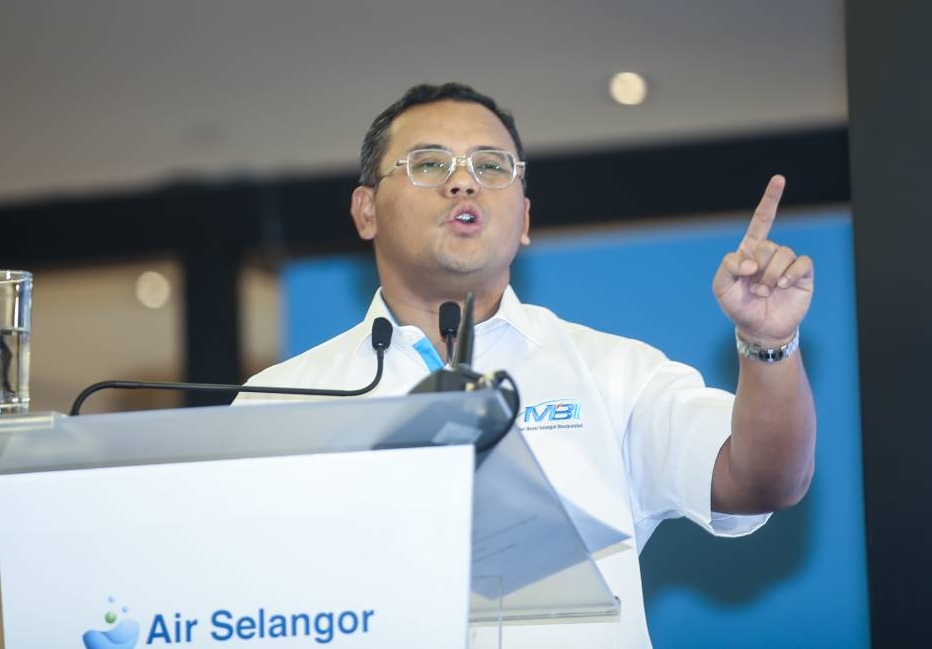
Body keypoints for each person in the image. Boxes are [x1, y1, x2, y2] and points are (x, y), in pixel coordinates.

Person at [236, 82, 816, 647]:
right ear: (366, 211)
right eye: (430, 164)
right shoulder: (280, 399)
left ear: (526, 216)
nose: (464, 181)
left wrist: (769, 342)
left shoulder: (613, 373)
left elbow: (763, 480)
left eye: (491, 167)